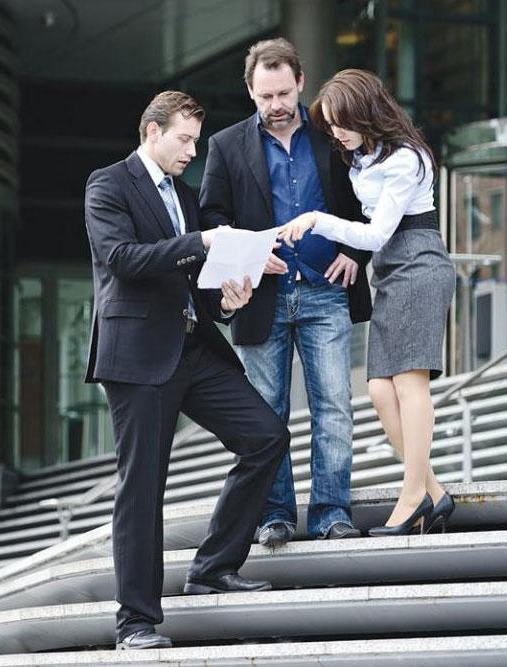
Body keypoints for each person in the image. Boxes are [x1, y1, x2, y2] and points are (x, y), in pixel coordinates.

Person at [84, 91, 290, 650]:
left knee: (266, 437)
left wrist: (230, 296)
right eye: (184, 140)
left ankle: (212, 567)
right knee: (142, 489)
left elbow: (199, 280)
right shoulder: (108, 185)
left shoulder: (187, 195)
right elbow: (123, 260)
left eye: (196, 142)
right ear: (152, 132)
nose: (191, 152)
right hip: (137, 357)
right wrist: (199, 240)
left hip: (195, 347)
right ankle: (135, 623)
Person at [199, 38, 371, 548]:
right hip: (262, 297)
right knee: (265, 415)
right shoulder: (226, 146)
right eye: (264, 96)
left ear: (300, 82)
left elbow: (366, 199)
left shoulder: (332, 136)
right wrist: (250, 254)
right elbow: (211, 216)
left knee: (334, 407)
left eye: (283, 92)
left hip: (326, 291)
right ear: (250, 92)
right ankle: (274, 514)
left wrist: (354, 253)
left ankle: (331, 512)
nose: (276, 105)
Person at [278, 69, 457, 536]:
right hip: (392, 274)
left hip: (419, 264)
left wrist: (318, 220)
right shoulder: (362, 155)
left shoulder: (405, 159)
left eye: (342, 123)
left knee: (410, 384)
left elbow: (378, 232)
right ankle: (435, 493)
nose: (336, 133)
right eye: (331, 125)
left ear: (366, 113)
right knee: (379, 390)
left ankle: (413, 494)